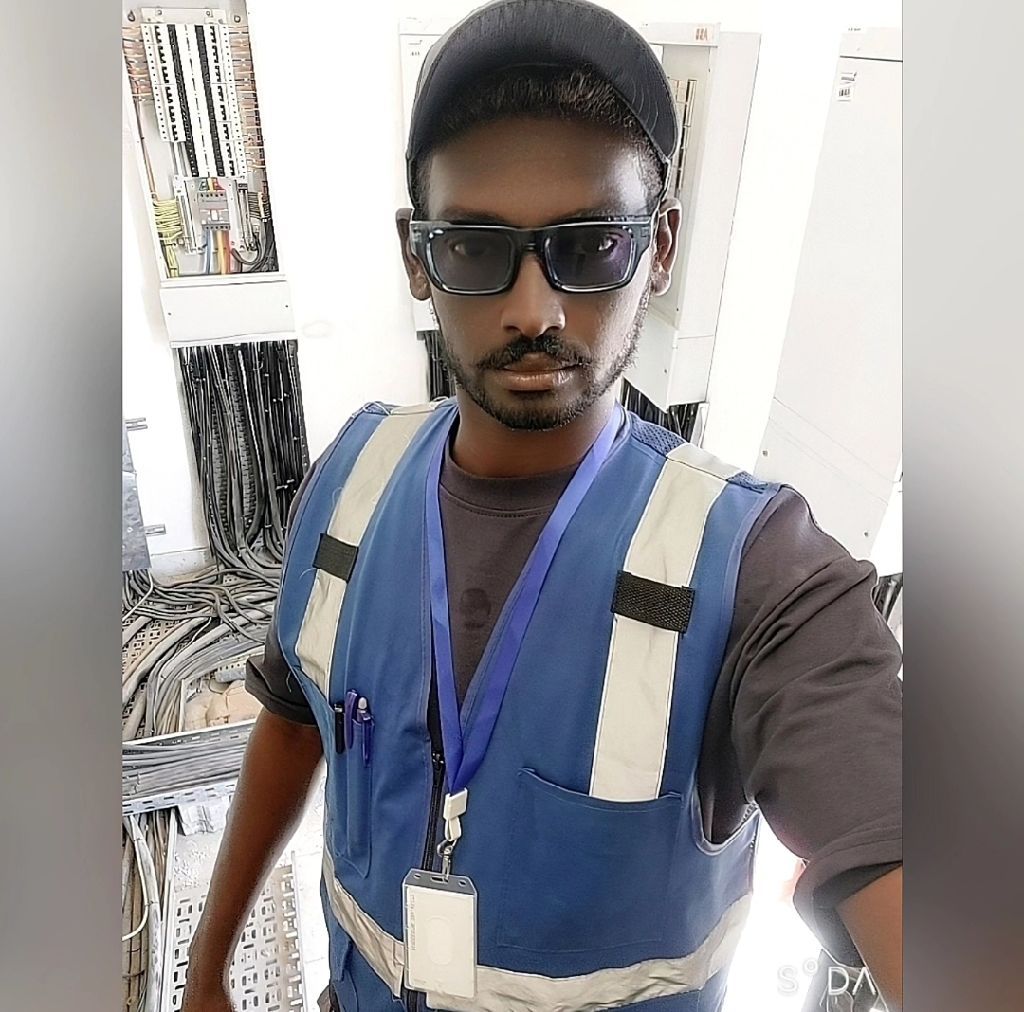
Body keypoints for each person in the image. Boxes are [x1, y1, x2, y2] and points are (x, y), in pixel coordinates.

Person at [181, 2, 903, 1010]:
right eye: (476, 249)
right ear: (416, 256)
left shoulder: (757, 568)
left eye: (592, 245)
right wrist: (206, 966)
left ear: (659, 249)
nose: (533, 311)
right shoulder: (352, 477)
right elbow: (296, 717)